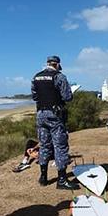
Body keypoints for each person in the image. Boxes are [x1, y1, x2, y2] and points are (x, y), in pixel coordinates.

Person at [31, 56, 79, 189]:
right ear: (57, 65)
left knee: (45, 145)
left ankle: (43, 177)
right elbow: (67, 97)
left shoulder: (36, 77)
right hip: (55, 115)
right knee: (60, 146)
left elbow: (35, 96)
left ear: (47, 64)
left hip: (40, 115)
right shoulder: (59, 77)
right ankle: (62, 180)